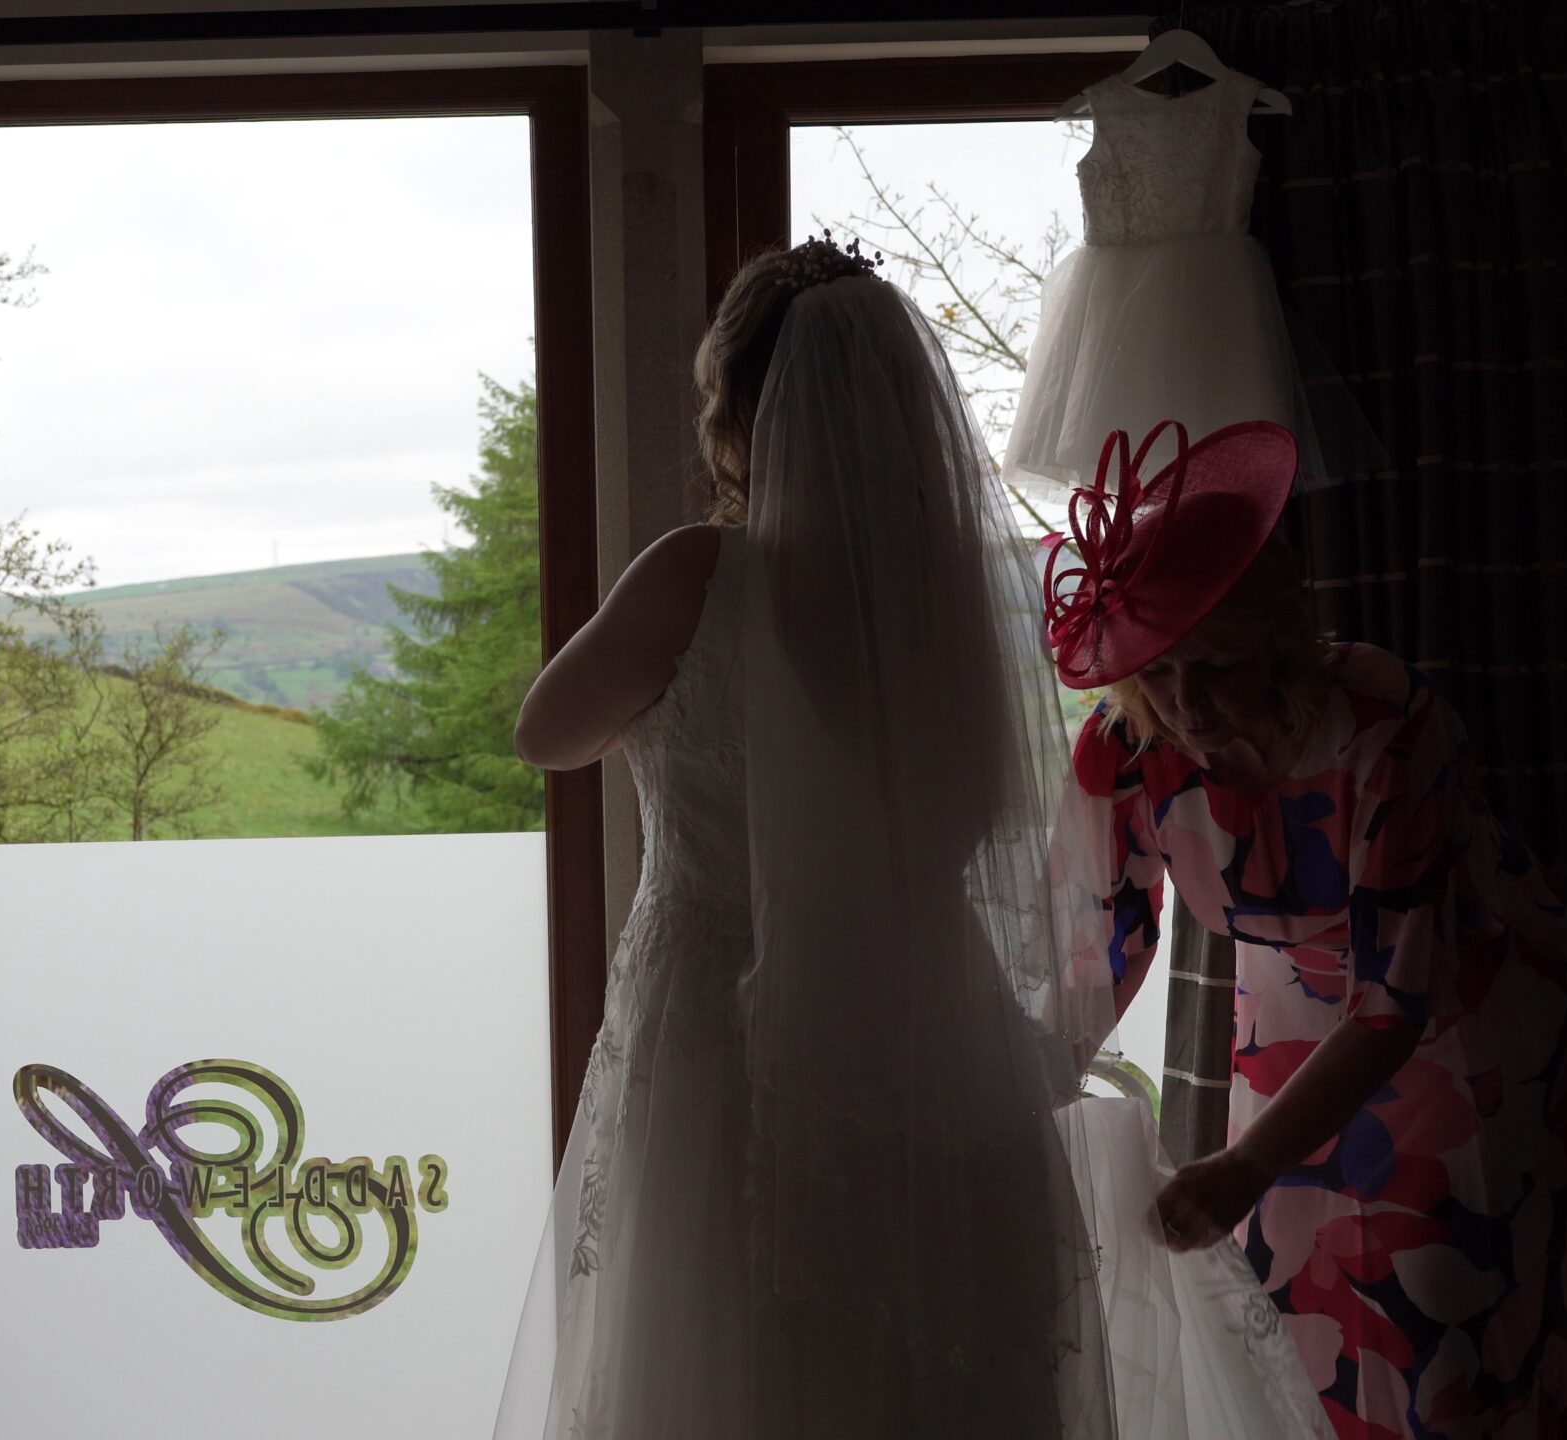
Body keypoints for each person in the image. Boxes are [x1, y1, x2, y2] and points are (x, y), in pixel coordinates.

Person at [489, 239, 1324, 1440]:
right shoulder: (954, 612)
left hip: (726, 1039)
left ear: (740, 410)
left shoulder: (697, 575)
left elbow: (545, 735)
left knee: (744, 1365)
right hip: (932, 1038)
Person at [1047, 420, 1567, 1437]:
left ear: (1275, 631)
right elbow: (1103, 949)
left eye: (1214, 666)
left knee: (1443, 1299)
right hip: (1289, 1025)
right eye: (1157, 671)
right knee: (1293, 1311)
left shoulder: (1383, 720)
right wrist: (1023, 1092)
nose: (1184, 701)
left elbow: (1395, 1003)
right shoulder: (1122, 750)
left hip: (1465, 1018)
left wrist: (1246, 1162)